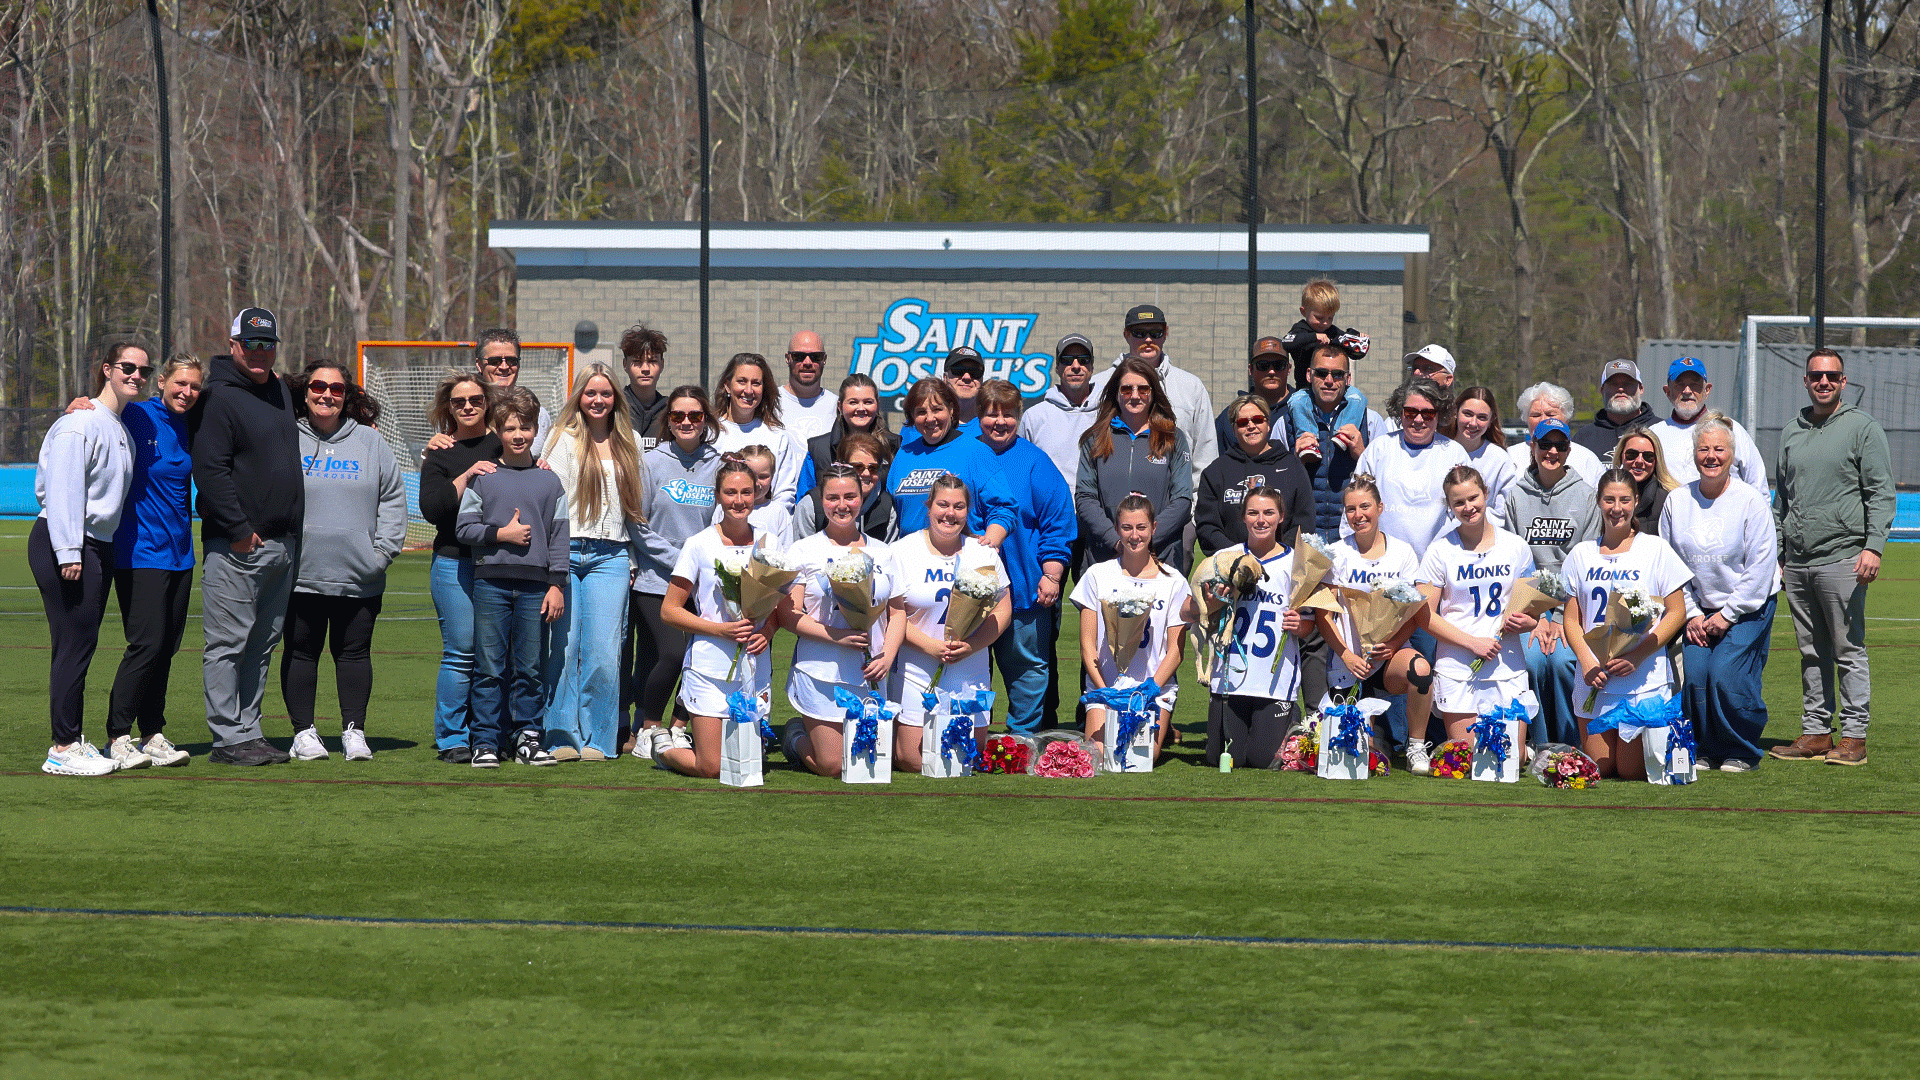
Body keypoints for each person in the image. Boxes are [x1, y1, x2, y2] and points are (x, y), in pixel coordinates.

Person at [190, 306, 304, 766]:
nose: (260, 352)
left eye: (268, 344)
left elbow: (327, 396)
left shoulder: (278, 388)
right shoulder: (215, 396)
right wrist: (238, 530)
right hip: (238, 547)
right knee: (227, 646)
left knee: (260, 647)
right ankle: (227, 737)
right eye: (251, 344)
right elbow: (210, 469)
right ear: (233, 344)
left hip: (282, 545)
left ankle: (249, 731)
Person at [1769, 349, 1894, 767]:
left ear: (1843, 381)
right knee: (1810, 650)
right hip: (1799, 562)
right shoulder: (1791, 431)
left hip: (1843, 558)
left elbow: (1880, 491)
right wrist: (1780, 553)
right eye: (1816, 376)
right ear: (1806, 381)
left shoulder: (1863, 428)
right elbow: (1781, 499)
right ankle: (1817, 731)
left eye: (1832, 376)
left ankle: (1854, 737)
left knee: (1847, 649)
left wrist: (1873, 545)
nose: (1823, 382)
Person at [282, 361, 407, 763]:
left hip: (360, 574)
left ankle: (354, 731)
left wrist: (382, 553)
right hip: (300, 574)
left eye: (336, 389)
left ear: (346, 396)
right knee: (301, 653)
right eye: (318, 386)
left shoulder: (371, 444)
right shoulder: (286, 438)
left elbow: (392, 498)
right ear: (305, 392)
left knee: (354, 654)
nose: (327, 395)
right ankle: (304, 733)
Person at [32, 341, 142, 776]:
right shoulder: (80, 423)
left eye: (143, 370)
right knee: (73, 644)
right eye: (127, 367)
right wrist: (69, 551)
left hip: (97, 543)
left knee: (81, 643)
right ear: (107, 370)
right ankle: (62, 747)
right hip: (69, 541)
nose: (136, 375)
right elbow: (62, 489)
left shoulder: (119, 426)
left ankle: (72, 738)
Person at [456, 388, 569, 769]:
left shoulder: (550, 482)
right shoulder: (485, 478)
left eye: (525, 427)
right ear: (497, 431)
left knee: (530, 667)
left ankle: (528, 738)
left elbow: (559, 536)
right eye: (509, 428)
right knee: (489, 664)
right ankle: (485, 740)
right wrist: (500, 534)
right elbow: (464, 528)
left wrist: (557, 583)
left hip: (536, 587)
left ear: (537, 429)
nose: (518, 434)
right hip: (491, 584)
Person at [542, 362, 647, 763]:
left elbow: (635, 509)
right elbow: (553, 506)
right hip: (566, 554)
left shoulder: (631, 441)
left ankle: (599, 739)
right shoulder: (559, 440)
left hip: (612, 556)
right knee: (564, 650)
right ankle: (559, 736)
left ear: (615, 398)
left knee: (605, 651)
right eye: (590, 393)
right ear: (579, 397)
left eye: (605, 393)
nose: (598, 400)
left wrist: (633, 558)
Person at [775, 466, 907, 777]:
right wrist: (835, 635)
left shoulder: (885, 552)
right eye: (833, 498)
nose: (842, 505)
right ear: (821, 501)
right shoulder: (803, 550)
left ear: (864, 498)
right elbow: (788, 614)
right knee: (833, 766)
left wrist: (886, 656)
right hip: (820, 670)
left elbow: (897, 611)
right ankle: (794, 737)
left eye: (850, 496)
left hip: (870, 672)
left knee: (869, 762)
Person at [1662, 415, 1777, 772]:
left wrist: (1727, 615)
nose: (1711, 456)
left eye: (1719, 449)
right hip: (1698, 610)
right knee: (1695, 675)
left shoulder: (1750, 501)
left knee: (1726, 674)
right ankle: (1705, 748)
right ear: (1693, 454)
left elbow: (1760, 566)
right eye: (1703, 449)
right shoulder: (1677, 501)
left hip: (1747, 607)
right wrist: (1693, 613)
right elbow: (1671, 565)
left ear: (1732, 454)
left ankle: (1740, 749)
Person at [105, 352, 201, 768]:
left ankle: (153, 734)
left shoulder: (195, 422)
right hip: (139, 551)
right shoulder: (135, 415)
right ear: (161, 381)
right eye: (180, 383)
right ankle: (117, 735)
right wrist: (79, 403)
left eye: (195, 386)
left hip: (181, 554)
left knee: (166, 647)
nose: (187, 392)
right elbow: (99, 409)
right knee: (144, 644)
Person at [1563, 470, 1692, 779]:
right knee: (1601, 768)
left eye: (1624, 500)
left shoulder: (1655, 550)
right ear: (1598, 502)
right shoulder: (1581, 553)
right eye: (1609, 500)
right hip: (1595, 678)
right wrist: (1586, 662)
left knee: (1630, 770)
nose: (1616, 508)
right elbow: (1571, 618)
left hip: (1641, 679)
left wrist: (1636, 656)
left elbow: (1676, 612)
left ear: (1635, 502)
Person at [648, 458, 769, 776]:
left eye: (745, 492)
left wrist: (767, 632)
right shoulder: (698, 544)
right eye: (730, 492)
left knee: (745, 764)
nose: (738, 501)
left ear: (756, 493)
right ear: (717, 495)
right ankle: (664, 747)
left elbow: (784, 610)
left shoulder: (768, 543)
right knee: (711, 767)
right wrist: (720, 629)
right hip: (707, 667)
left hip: (753, 668)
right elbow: (670, 610)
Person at [885, 474, 1012, 771]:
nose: (949, 514)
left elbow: (1003, 608)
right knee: (912, 760)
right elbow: (892, 614)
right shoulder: (901, 551)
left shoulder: (982, 553)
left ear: (968, 511)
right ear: (928, 506)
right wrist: (929, 645)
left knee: (966, 757)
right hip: (918, 664)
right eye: (942, 504)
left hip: (970, 664)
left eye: (958, 507)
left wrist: (971, 646)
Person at [1414, 466, 1539, 758]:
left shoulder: (1516, 546)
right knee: (1468, 759)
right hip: (1458, 666)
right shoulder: (1439, 550)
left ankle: (1525, 751)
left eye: (1474, 497)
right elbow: (1425, 616)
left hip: (1506, 665)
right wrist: (1473, 642)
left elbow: (1533, 609)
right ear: (1449, 506)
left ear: (1486, 494)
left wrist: (1526, 622)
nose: (1468, 507)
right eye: (1459, 502)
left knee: (1511, 760)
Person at [975, 379, 1075, 735]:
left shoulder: (1035, 462)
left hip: (1024, 591)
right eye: (990, 413)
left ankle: (1022, 741)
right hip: (969, 594)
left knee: (1029, 670)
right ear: (979, 416)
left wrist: (1051, 574)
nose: (999, 421)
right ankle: (970, 738)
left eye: (1007, 414)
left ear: (1019, 416)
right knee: (968, 670)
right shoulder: (967, 454)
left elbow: (1058, 522)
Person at [627, 386, 723, 757]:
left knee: (700, 656)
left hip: (703, 583)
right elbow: (637, 523)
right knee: (670, 654)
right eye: (677, 416)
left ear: (705, 421)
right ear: (668, 421)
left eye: (694, 416)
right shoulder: (650, 462)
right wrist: (683, 562)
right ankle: (649, 728)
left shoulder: (718, 463)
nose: (686, 422)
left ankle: (679, 727)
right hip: (657, 579)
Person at [1315, 475, 1434, 762]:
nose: (1358, 515)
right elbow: (1323, 614)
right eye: (1351, 509)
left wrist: (1393, 645)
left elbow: (1412, 611)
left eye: (1365, 506)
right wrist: (1345, 654)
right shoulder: (1337, 553)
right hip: (1349, 662)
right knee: (1357, 753)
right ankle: (1375, 735)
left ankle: (1416, 747)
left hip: (1387, 660)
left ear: (1380, 507)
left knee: (1421, 670)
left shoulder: (1403, 552)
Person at [1072, 495, 1195, 764]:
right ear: (1117, 530)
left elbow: (1175, 650)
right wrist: (1105, 691)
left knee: (1143, 757)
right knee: (1100, 756)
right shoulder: (1097, 575)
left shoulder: (1173, 580)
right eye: (1127, 528)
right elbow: (1087, 644)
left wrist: (1152, 688)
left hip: (1152, 689)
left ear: (1153, 528)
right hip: (1107, 688)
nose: (1134, 535)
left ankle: (1162, 720)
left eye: (1141, 528)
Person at [1502, 418, 1599, 746]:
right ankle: (1540, 744)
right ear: (1533, 447)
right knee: (1532, 661)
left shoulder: (1586, 496)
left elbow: (1585, 564)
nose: (1552, 452)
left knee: (1559, 662)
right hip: (1528, 608)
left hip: (1572, 609)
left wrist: (1559, 618)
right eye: (1545, 445)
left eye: (1560, 446)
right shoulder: (1516, 496)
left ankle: (1571, 743)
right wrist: (1538, 619)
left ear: (1569, 451)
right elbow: (1516, 563)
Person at [418, 371, 498, 763]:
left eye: (476, 400)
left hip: (501, 564)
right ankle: (452, 738)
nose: (468, 407)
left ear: (487, 404)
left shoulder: (507, 443)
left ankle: (493, 734)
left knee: (499, 655)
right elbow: (433, 509)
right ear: (448, 407)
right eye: (459, 401)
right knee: (461, 652)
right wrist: (466, 475)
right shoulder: (440, 452)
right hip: (454, 563)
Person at [1200, 487, 1310, 769]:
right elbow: (1188, 611)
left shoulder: (1297, 562)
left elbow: (1311, 623)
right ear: (1243, 518)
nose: (1261, 520)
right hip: (1230, 677)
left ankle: (1291, 718)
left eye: (1268, 512)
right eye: (1253, 513)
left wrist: (1300, 625)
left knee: (1262, 760)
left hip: (1274, 681)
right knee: (1221, 760)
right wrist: (1211, 602)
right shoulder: (1227, 556)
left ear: (1281, 517)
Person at [1075, 357, 1193, 568]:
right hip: (1106, 556)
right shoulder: (1095, 439)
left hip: (1160, 557)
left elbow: (1182, 500)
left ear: (1154, 392)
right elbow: (1085, 498)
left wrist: (1146, 540)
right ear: (1116, 393)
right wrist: (1116, 541)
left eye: (1143, 389)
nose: (1135, 396)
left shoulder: (1172, 438)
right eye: (1127, 389)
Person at [1092, 303, 1217, 489]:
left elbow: (1205, 455)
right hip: (1113, 508)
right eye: (1139, 333)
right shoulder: (1100, 384)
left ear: (1166, 333)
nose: (1148, 339)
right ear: (1126, 334)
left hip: (1176, 509)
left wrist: (1192, 506)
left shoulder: (1191, 386)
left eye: (1156, 333)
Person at [885, 377, 1014, 541]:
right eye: (921, 412)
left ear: (951, 409)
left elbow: (1003, 507)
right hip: (912, 559)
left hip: (961, 557)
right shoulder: (904, 454)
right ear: (912, 416)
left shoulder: (976, 452)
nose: (930, 418)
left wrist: (990, 544)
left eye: (937, 409)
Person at [1354, 377, 1470, 553]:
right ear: (1400, 412)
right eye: (1410, 412)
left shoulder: (1455, 453)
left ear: (1439, 415)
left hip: (1438, 560)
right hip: (1386, 560)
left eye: (1427, 413)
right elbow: (1356, 501)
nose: (1418, 419)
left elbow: (1466, 509)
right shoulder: (1379, 449)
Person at [1196, 394, 1314, 556]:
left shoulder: (1292, 466)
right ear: (1234, 429)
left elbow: (1304, 521)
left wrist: (1279, 555)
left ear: (1268, 424)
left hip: (1283, 564)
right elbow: (1207, 526)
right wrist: (1238, 555)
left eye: (1258, 419)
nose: (1251, 426)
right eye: (1243, 422)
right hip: (1232, 565)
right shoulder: (1216, 471)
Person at [422, 329, 550, 458]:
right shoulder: (462, 408)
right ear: (479, 364)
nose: (504, 367)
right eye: (495, 361)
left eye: (511, 360)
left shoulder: (537, 414)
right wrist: (430, 452)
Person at [1284, 344, 1368, 542]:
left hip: (1352, 536)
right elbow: (1277, 480)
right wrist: (1297, 462)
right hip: (1304, 536)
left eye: (1337, 374)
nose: (1329, 381)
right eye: (1321, 373)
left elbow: (1381, 479)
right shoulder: (1286, 419)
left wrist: (1361, 454)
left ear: (1348, 379)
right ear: (1308, 375)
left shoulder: (1370, 419)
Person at [1649, 357, 1766, 486]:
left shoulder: (1730, 429)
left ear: (1707, 390)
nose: (1687, 391)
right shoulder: (1655, 434)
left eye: (1695, 385)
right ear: (1668, 392)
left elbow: (1758, 484)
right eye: (1680, 384)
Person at [713, 352, 805, 516]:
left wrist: (764, 524)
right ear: (727, 385)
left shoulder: (777, 437)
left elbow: (785, 494)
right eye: (742, 381)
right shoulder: (710, 433)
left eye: (756, 383)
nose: (748, 390)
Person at [1018, 332, 1102, 497]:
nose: (1076, 366)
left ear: (1091, 368)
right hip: (1050, 516)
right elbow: (1022, 471)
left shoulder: (1108, 413)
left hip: (1098, 515)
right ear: (1057, 368)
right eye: (1067, 360)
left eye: (1083, 360)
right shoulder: (1034, 417)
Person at [794, 373, 897, 501]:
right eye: (853, 402)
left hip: (880, 521)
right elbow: (804, 500)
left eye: (868, 402)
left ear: (878, 405)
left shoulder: (895, 446)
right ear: (840, 406)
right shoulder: (818, 450)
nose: (861, 408)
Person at [795, 433, 893, 541]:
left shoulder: (887, 507)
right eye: (858, 467)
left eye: (873, 468)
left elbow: (886, 554)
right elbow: (801, 552)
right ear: (841, 466)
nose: (866, 473)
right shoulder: (811, 505)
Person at [1278, 279, 1370, 394]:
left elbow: (1354, 353)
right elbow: (1286, 342)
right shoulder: (1300, 329)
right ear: (1304, 312)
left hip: (1333, 389)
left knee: (1356, 397)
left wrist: (1359, 340)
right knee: (1296, 403)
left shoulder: (1332, 331)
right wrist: (1314, 337)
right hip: (1306, 390)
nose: (1325, 323)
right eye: (1319, 318)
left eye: (1330, 318)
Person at [1445, 385, 1516, 524]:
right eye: (1467, 414)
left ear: (1491, 421)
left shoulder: (1500, 459)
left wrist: (1470, 524)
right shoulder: (1438, 450)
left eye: (1482, 417)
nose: (1473, 423)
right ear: (1456, 412)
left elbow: (1504, 511)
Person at [1509, 382, 1604, 487]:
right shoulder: (1510, 457)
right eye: (1535, 415)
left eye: (1550, 414)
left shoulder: (1586, 459)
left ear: (1566, 418)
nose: (1543, 420)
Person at [1210, 335, 1292, 454]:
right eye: (1263, 365)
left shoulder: (1304, 408)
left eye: (1279, 365)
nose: (1271, 371)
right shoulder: (1230, 418)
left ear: (1289, 368)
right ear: (1250, 369)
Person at [1573, 359, 1656, 463]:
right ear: (1602, 390)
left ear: (1641, 389)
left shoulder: (1659, 430)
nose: (1621, 389)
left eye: (1628, 384)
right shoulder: (1584, 437)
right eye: (1613, 384)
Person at [1610, 426, 1680, 536]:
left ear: (1656, 460)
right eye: (1631, 454)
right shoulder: (1606, 494)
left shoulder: (1669, 500)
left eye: (1648, 456)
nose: (1639, 461)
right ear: (1620, 456)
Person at [725, 444, 793, 548]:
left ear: (773, 476)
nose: (756, 483)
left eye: (763, 477)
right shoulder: (726, 508)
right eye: (751, 475)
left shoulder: (778, 512)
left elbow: (785, 551)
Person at [779, 330, 840, 442]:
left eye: (815, 356)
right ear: (788, 358)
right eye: (799, 356)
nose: (807, 362)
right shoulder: (770, 403)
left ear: (824, 360)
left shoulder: (837, 407)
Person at [619, 323, 670, 453]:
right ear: (625, 365)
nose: (645, 369)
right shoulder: (614, 406)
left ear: (662, 364)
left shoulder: (671, 410)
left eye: (652, 361)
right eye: (637, 362)